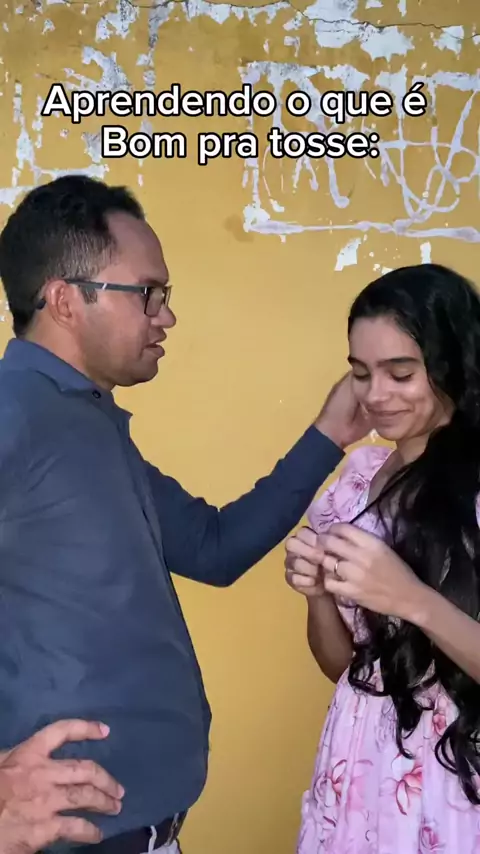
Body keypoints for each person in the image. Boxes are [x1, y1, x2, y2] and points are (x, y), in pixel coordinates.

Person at [0, 174, 370, 854]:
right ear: (64, 300)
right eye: (148, 293)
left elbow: (214, 548)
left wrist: (330, 434)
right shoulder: (14, 412)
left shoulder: (89, 426)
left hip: (150, 832)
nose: (165, 316)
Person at [285, 263, 480, 853]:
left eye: (401, 373)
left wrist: (411, 599)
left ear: (453, 363)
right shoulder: (357, 480)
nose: (375, 395)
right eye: (361, 373)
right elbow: (346, 668)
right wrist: (318, 594)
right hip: (357, 765)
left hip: (451, 778)